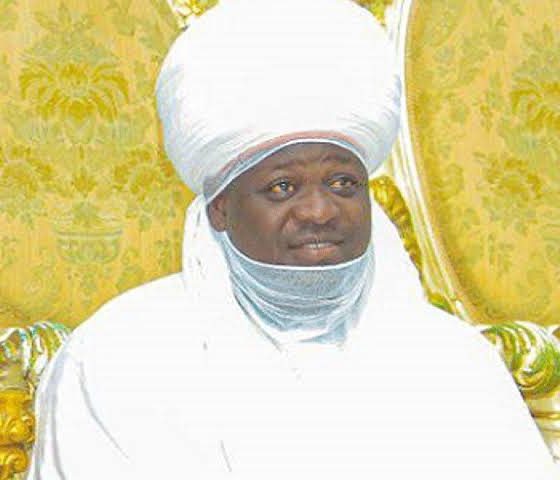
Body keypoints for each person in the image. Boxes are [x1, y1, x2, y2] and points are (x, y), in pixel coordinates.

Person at [26, 0, 557, 478]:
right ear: (220, 209)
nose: (320, 211)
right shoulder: (120, 359)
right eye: (282, 187)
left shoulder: (453, 361)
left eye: (342, 183)